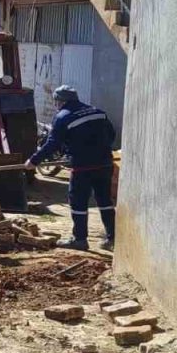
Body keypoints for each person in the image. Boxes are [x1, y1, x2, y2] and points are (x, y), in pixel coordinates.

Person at [25, 85, 117, 251]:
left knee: (78, 202)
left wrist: (33, 161)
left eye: (56, 102)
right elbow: (111, 134)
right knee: (104, 200)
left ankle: (80, 239)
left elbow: (53, 144)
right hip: (104, 163)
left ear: (60, 101)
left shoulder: (63, 117)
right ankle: (112, 239)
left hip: (83, 166)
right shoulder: (97, 111)